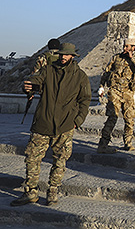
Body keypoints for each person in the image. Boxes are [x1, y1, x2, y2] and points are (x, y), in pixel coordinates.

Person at [11, 43, 91, 207]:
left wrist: (77, 121)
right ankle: (30, 192)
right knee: (32, 159)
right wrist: (28, 87)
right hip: (43, 123)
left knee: (60, 161)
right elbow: (35, 81)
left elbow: (85, 100)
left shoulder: (80, 76)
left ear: (73, 57)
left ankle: (52, 192)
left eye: (66, 55)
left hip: (65, 125)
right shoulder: (48, 70)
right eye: (61, 54)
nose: (63, 57)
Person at [97, 38, 135, 153]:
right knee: (112, 117)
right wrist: (101, 86)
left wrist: (131, 58)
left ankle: (128, 143)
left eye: (127, 47)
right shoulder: (116, 58)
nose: (124, 48)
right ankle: (103, 144)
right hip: (115, 92)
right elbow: (107, 72)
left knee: (129, 118)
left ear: (133, 48)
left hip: (128, 93)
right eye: (124, 46)